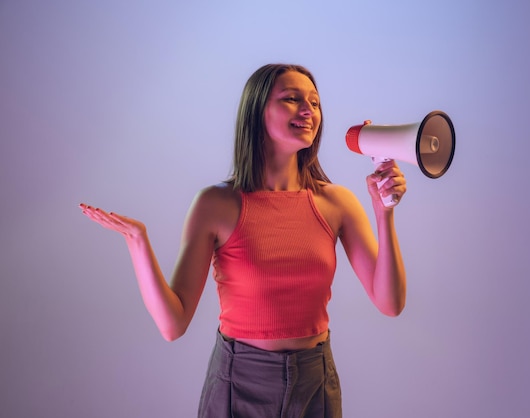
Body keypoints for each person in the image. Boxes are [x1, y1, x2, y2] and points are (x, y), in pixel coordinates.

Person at [79, 63, 407, 418]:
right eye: (292, 99)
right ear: (257, 112)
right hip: (239, 384)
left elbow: (390, 303)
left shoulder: (336, 203)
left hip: (315, 384)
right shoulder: (215, 204)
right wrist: (138, 242)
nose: (308, 110)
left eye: (314, 102)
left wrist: (383, 211)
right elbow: (173, 324)